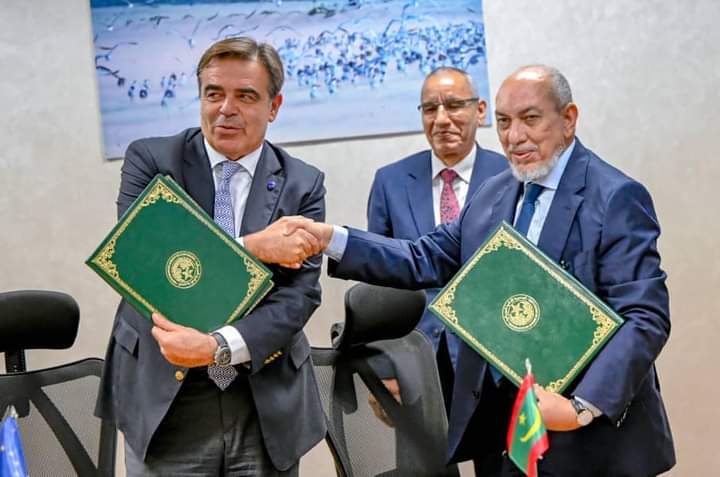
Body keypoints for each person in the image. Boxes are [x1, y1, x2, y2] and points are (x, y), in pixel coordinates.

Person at [246, 65, 676, 476]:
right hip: (505, 434)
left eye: (530, 119)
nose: (515, 137)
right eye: (504, 122)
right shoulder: (494, 193)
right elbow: (421, 257)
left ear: (568, 119)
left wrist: (580, 407)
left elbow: (644, 317)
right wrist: (329, 238)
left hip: (589, 436)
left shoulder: (615, 196)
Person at [95, 37, 327, 476]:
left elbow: (298, 297)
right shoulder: (153, 160)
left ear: (274, 106)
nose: (226, 109)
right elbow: (140, 258)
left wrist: (217, 347)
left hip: (261, 396)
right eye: (214, 93)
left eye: (246, 96)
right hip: (165, 397)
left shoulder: (303, 184)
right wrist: (253, 246)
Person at [367, 66, 507, 408]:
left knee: (500, 447)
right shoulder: (390, 182)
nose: (442, 119)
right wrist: (384, 366)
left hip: (499, 361)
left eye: (454, 105)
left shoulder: (511, 176)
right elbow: (379, 284)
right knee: (422, 446)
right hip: (417, 362)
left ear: (480, 110)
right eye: (430, 109)